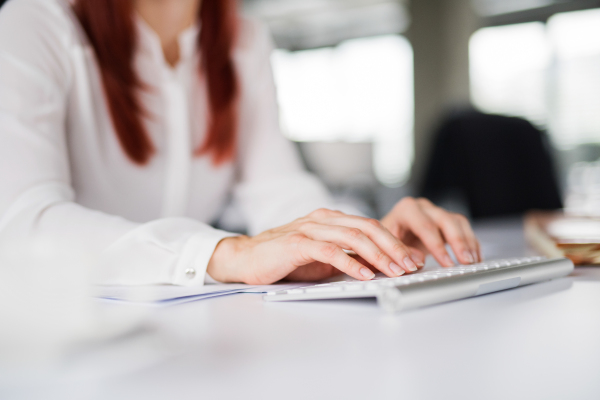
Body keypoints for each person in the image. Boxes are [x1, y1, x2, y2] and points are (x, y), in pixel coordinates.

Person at [0, 0, 481, 287]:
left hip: (188, 337)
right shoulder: (35, 24)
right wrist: (224, 254)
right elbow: (22, 223)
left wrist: (357, 242)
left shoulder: (242, 40)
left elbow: (278, 192)